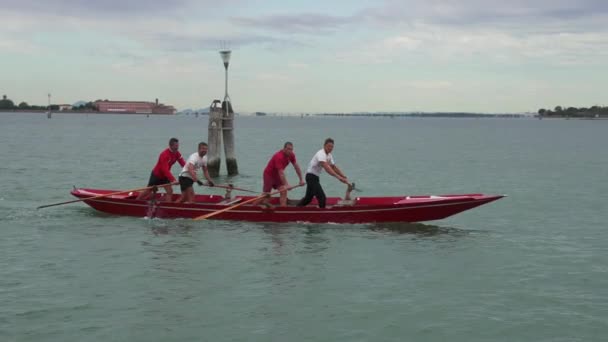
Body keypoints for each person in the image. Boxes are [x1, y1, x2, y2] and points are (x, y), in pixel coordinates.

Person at [297, 138, 350, 208]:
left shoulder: (329, 155)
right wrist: (339, 178)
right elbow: (327, 168)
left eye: (332, 147)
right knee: (322, 198)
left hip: (315, 178)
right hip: (310, 177)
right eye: (329, 146)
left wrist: (344, 176)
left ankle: (296, 208)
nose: (330, 148)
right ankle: (322, 215)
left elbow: (334, 167)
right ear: (324, 146)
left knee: (308, 198)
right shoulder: (321, 153)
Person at [137, 137, 186, 202]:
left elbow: (183, 164)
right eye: (175, 146)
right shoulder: (164, 154)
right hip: (157, 175)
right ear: (170, 145)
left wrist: (191, 171)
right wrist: (173, 180)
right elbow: (165, 170)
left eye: (178, 146)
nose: (177, 147)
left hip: (165, 176)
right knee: (148, 190)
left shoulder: (177, 153)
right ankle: (137, 200)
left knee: (169, 191)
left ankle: (168, 207)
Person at [258, 142, 305, 207]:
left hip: (277, 176)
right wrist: (287, 184)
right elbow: (281, 173)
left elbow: (296, 167)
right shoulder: (279, 157)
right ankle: (252, 206)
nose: (290, 151)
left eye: (291, 149)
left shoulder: (291, 155)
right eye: (288, 149)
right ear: (284, 149)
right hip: (269, 175)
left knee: (283, 191)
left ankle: (283, 208)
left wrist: (301, 179)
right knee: (266, 195)